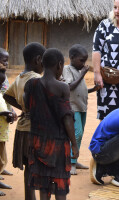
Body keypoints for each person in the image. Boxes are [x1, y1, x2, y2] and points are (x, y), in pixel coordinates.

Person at [23, 48, 79, 200]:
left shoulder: (31, 84)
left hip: (37, 141)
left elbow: (27, 106)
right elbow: (67, 118)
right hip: (58, 144)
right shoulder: (62, 87)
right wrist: (74, 144)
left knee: (43, 183)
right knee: (60, 184)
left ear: (42, 62)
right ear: (60, 65)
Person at [4, 42, 46, 200]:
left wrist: (24, 108)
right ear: (38, 60)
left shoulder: (19, 78)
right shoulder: (37, 79)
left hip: (23, 130)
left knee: (30, 166)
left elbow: (7, 95)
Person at [62, 44, 100, 175]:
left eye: (85, 60)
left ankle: (74, 159)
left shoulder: (78, 72)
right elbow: (69, 87)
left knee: (80, 134)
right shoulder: (67, 69)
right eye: (81, 60)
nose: (84, 63)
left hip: (82, 107)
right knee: (76, 134)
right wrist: (83, 74)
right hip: (73, 108)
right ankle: (70, 162)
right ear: (71, 57)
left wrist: (93, 90)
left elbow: (80, 90)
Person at [0, 48, 17, 177]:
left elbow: (6, 97)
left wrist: (11, 110)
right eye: (4, 61)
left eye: (7, 61)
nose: (6, 63)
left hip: (4, 120)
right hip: (2, 116)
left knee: (2, 144)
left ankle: (2, 166)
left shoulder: (4, 77)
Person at [0, 69, 15, 196]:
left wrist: (9, 113)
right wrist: (4, 113)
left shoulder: (1, 93)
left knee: (2, 157)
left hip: (2, 130)